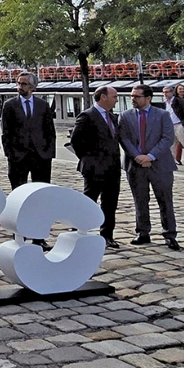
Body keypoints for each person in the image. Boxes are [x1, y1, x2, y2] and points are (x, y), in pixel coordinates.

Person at [118, 84, 180, 251]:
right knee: (140, 200)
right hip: (135, 165)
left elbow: (167, 139)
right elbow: (124, 139)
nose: (133, 99)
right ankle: (142, 232)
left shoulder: (163, 115)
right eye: (132, 96)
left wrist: (150, 156)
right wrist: (138, 157)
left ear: (148, 98)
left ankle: (170, 234)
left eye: (137, 96)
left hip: (160, 165)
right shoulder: (125, 116)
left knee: (165, 201)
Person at [1, 71, 56, 250]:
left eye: (24, 84)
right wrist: (10, 154)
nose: (20, 87)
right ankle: (19, 235)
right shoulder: (9, 105)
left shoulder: (43, 105)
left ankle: (39, 236)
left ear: (32, 87)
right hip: (18, 157)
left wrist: (48, 153)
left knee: (40, 198)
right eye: (18, 83)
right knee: (19, 198)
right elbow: (6, 133)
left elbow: (50, 131)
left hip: (40, 157)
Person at [70, 86, 122, 249]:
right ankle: (79, 230)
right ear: (103, 97)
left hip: (113, 167)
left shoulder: (112, 117)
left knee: (110, 202)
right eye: (114, 96)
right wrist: (89, 159)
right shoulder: (87, 116)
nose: (117, 99)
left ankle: (107, 235)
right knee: (89, 200)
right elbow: (76, 141)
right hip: (94, 167)